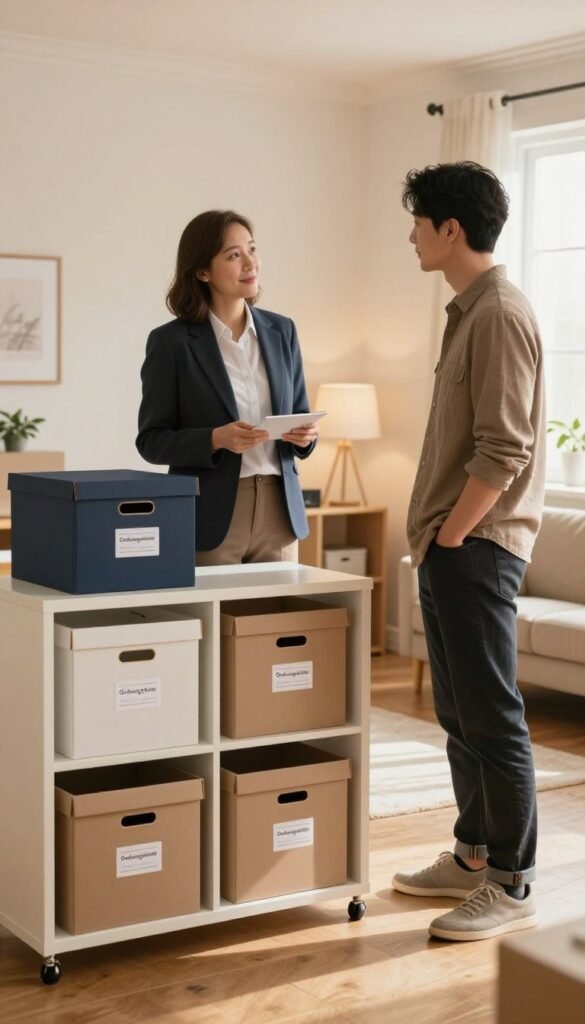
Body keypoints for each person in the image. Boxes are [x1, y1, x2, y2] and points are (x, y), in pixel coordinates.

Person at [392, 161, 546, 941]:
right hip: (451, 548)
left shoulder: (497, 315)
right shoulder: (468, 311)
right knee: (457, 714)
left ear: (450, 228)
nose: (411, 234)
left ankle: (512, 882)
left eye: (418, 221)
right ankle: (471, 853)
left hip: (476, 547)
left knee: (490, 718)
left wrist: (453, 534)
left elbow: (504, 447)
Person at [136, 209, 318, 564]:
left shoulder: (283, 331)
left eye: (252, 249)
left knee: (277, 619)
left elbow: (301, 415)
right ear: (203, 271)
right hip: (212, 513)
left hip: (280, 511)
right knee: (216, 619)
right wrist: (216, 439)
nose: (250, 263)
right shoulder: (171, 343)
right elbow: (151, 441)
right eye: (234, 255)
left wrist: (305, 438)